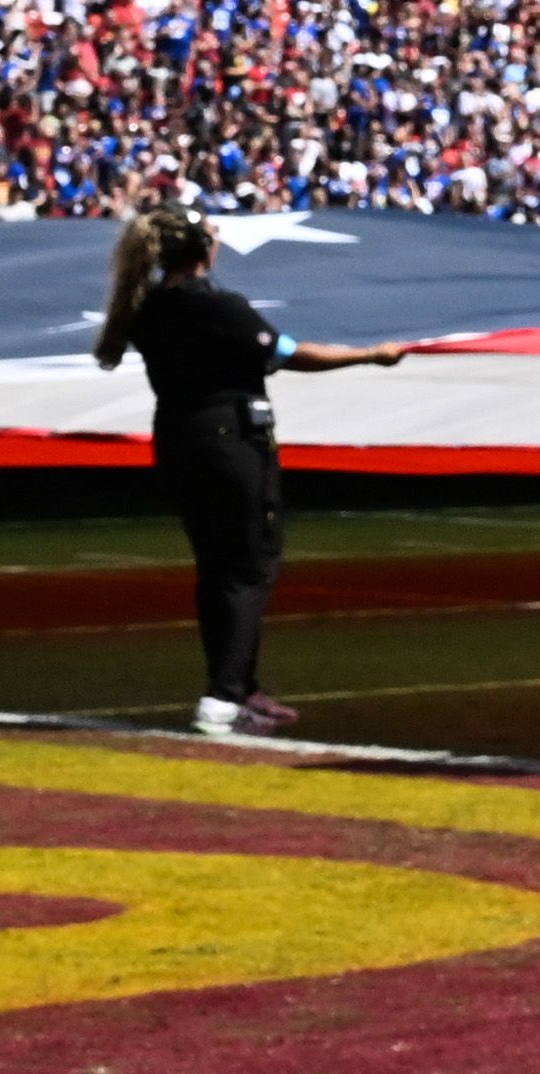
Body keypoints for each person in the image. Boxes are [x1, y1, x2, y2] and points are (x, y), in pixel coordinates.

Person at [94, 210, 417, 741]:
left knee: (216, 567)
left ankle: (239, 688)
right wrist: (369, 355)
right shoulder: (220, 307)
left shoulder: (145, 308)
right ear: (202, 251)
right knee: (249, 567)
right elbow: (290, 354)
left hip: (178, 439)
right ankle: (223, 697)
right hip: (231, 442)